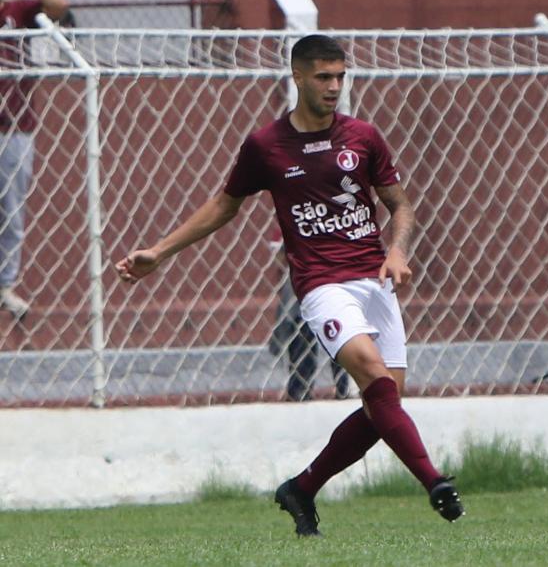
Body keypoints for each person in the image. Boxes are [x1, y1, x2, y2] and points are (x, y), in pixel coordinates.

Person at [115, 34, 464, 536]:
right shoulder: (266, 146)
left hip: (375, 280)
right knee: (375, 377)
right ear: (297, 76)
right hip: (322, 285)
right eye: (323, 77)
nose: (334, 86)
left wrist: (398, 248)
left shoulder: (363, 136)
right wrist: (160, 251)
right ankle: (434, 482)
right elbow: (224, 204)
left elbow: (400, 204)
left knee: (382, 406)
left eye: (340, 76)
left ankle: (301, 488)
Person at [0, 0, 69, 318]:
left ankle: (4, 285)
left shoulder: (17, 9)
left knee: (11, 210)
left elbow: (59, 6)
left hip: (14, 125)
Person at [267, 226, 350, 401]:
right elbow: (280, 255)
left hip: (329, 279)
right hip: (304, 282)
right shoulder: (289, 218)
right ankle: (300, 388)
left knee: (339, 329)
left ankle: (343, 385)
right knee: (301, 326)